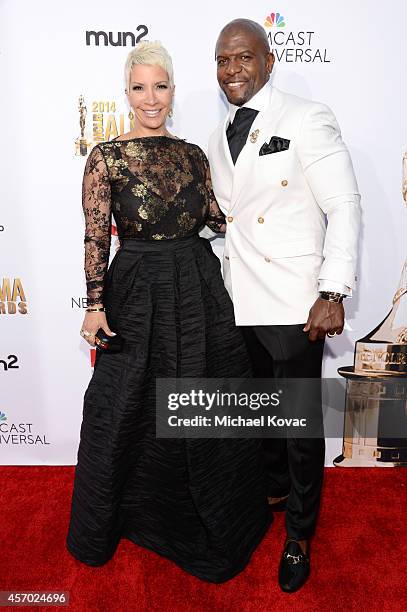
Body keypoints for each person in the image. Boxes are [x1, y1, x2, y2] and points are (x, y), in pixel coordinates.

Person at [66, 40, 271, 583]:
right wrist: (93, 303)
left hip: (198, 284)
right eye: (139, 87)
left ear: (173, 91)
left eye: (160, 86)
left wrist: (282, 228)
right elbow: (95, 236)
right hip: (135, 287)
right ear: (126, 93)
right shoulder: (105, 157)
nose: (150, 98)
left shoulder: (192, 156)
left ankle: (213, 514)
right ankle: (130, 512)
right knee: (126, 403)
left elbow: (218, 219)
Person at [208, 19, 361, 592]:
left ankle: (299, 534)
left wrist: (333, 290)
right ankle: (272, 494)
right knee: (260, 417)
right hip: (241, 300)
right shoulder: (219, 131)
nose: (232, 70)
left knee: (298, 425)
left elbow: (344, 204)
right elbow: (232, 217)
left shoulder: (304, 116)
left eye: (244, 58)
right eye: (223, 60)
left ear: (269, 61)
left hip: (297, 303)